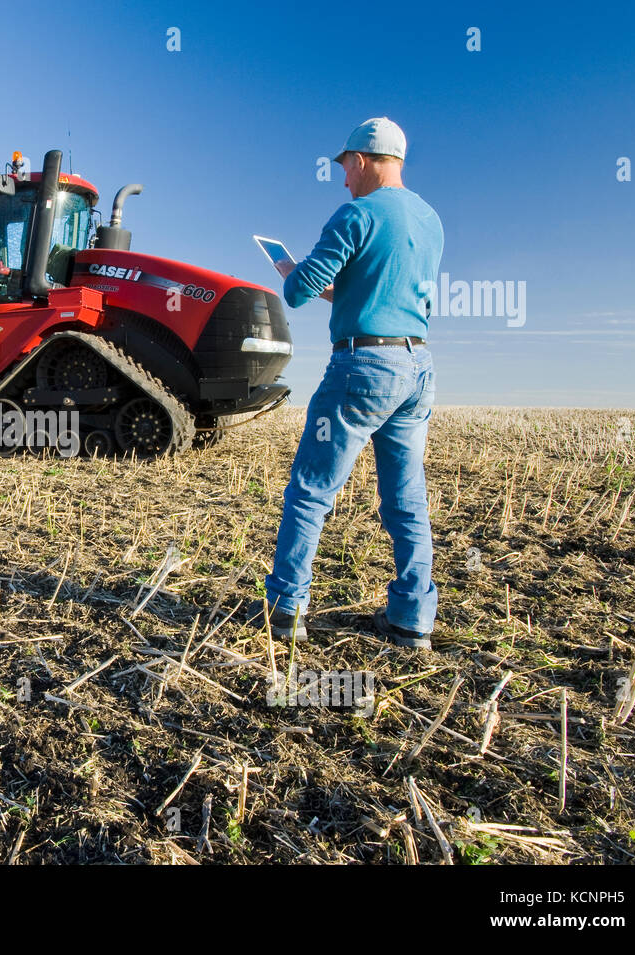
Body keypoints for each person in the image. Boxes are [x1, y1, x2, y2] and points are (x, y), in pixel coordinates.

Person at [248, 117, 444, 649]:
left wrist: (290, 269)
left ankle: (285, 609)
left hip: (362, 369)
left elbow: (300, 291)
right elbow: (384, 291)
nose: (342, 180)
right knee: (406, 498)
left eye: (345, 168)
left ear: (361, 160)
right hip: (416, 367)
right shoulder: (429, 220)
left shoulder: (355, 214)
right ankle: (411, 618)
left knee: (311, 490)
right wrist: (337, 289)